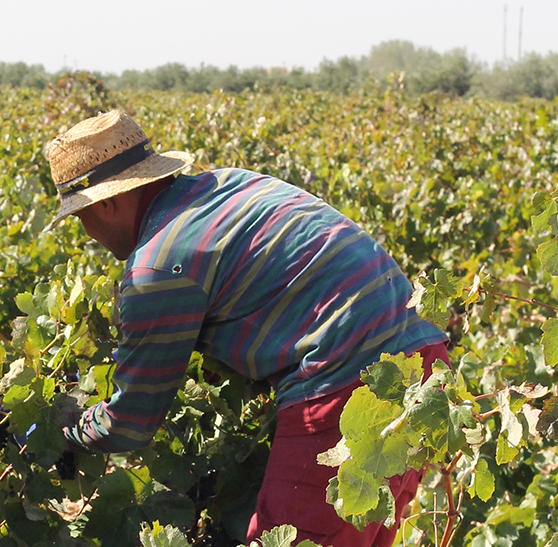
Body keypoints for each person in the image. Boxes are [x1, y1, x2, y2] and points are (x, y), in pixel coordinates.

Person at [43, 110, 449, 547]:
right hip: (421, 362)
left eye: (81, 215)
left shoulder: (158, 267)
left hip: (350, 385)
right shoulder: (229, 185)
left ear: (107, 202)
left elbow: (131, 423)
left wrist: (60, 430)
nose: (86, 232)